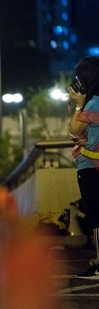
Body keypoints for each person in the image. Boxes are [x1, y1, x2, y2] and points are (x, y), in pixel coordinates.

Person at [68, 56, 99, 278]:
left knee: (96, 215)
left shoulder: (92, 103)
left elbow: (73, 131)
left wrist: (78, 105)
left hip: (89, 165)